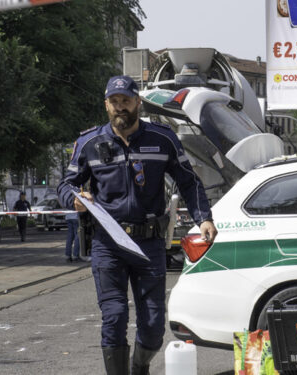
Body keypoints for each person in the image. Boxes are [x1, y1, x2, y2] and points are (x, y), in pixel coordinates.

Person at [57, 75, 217, 375]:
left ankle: (139, 365)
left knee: (154, 326)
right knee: (114, 317)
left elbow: (188, 181)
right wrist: (75, 199)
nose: (121, 108)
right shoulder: (89, 142)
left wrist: (203, 218)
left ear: (137, 103)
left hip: (149, 244)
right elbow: (66, 185)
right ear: (106, 105)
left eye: (126, 101)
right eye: (114, 102)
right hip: (109, 244)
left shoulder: (162, 138)